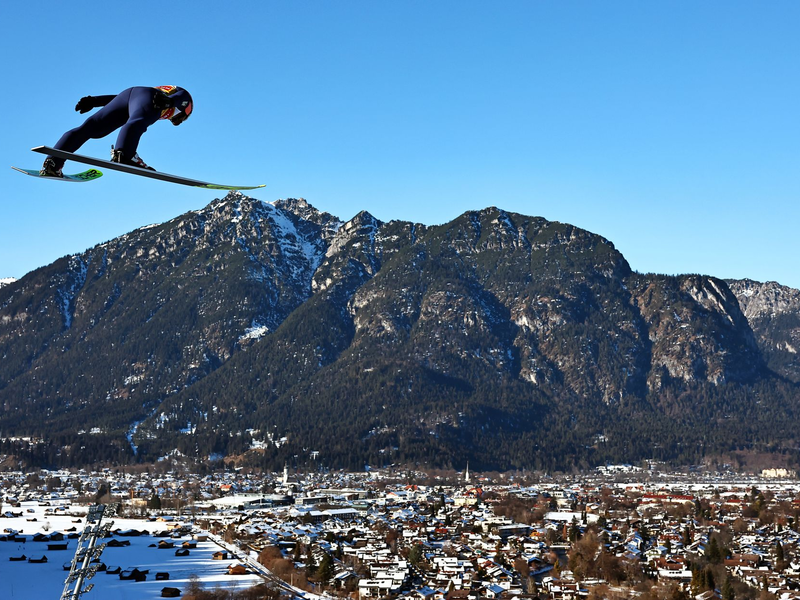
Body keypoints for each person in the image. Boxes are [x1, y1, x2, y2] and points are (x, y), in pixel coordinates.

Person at [40, 85, 193, 177]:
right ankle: (125, 155)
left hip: (128, 94)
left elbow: (120, 98)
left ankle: (52, 163)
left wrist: (95, 101)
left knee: (91, 129)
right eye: (178, 118)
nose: (171, 119)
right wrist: (171, 102)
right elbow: (183, 97)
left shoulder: (150, 93)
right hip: (151, 98)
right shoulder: (175, 101)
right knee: (138, 122)